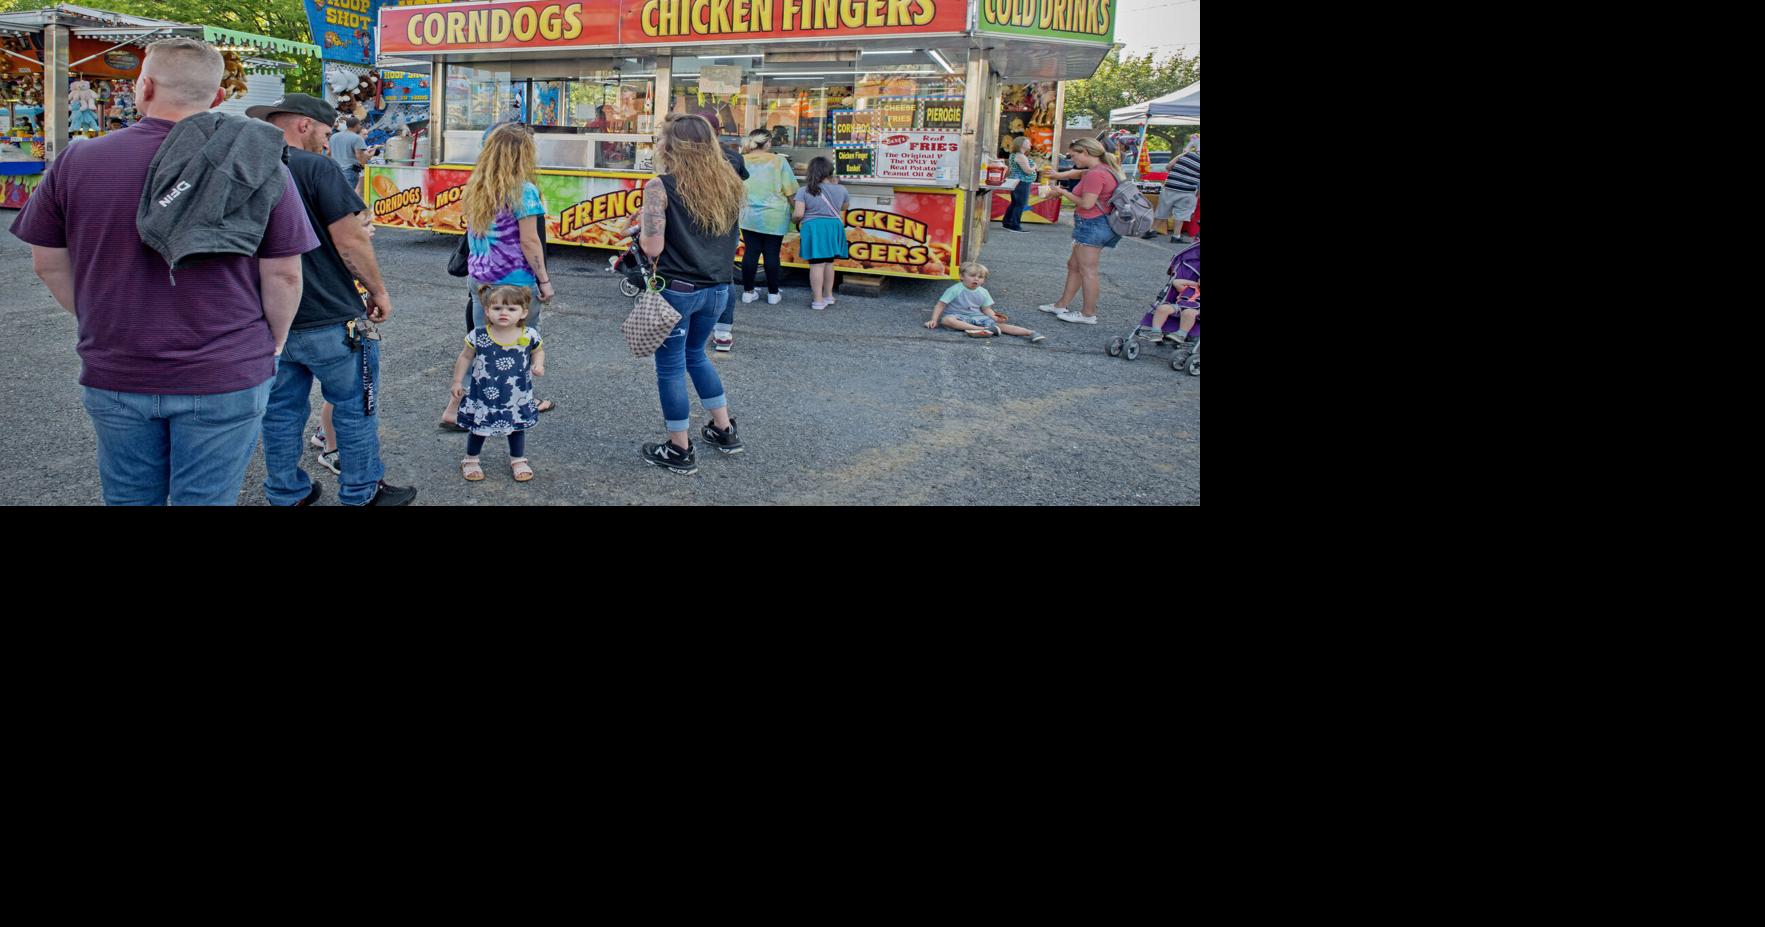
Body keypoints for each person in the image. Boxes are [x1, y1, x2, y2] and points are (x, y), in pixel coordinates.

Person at [9, 37, 317, 505]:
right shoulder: (258, 160)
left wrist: (98, 316)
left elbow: (47, 261)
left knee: (130, 499)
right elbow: (284, 275)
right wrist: (272, 344)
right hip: (225, 370)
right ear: (217, 97)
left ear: (144, 87)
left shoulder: (79, 160)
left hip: (116, 367)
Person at [251, 92, 415, 507]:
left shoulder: (247, 166)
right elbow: (349, 241)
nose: (326, 143)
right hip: (329, 316)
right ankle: (361, 491)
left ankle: (285, 492)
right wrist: (377, 291)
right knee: (354, 408)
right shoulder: (316, 168)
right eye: (325, 133)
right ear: (304, 125)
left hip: (268, 319)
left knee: (280, 413)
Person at [637, 113, 745, 474]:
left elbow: (652, 247)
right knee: (696, 355)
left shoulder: (660, 186)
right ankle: (723, 429)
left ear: (671, 146)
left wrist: (639, 230)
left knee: (670, 368)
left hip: (678, 289)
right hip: (719, 288)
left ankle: (679, 449)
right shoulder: (730, 182)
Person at [440, 123, 556, 428]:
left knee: (481, 343)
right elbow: (530, 242)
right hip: (515, 283)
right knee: (518, 348)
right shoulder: (524, 190)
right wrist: (544, 281)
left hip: (481, 281)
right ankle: (516, 404)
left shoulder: (476, 186)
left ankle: (456, 407)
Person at [452, 284, 546, 482]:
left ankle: (518, 459)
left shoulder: (528, 335)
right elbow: (465, 357)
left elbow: (538, 351)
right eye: (497, 308)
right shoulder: (479, 335)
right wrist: (457, 381)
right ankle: (471, 459)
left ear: (523, 312)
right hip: (484, 394)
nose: (504, 313)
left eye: (512, 309)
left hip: (516, 396)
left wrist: (538, 364)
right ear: (487, 310)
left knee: (517, 427)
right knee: (479, 427)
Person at [721, 128, 798, 350]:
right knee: (772, 253)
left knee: (751, 252)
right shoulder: (778, 162)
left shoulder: (741, 159)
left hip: (748, 214)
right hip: (774, 214)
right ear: (768, 143)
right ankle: (773, 294)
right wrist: (798, 210)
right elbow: (791, 190)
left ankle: (747, 292)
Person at [1038, 137, 1123, 325]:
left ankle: (1088, 314)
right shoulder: (1103, 169)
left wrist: (1062, 192)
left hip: (1092, 225)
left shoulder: (1095, 174)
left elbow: (1087, 203)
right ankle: (1061, 305)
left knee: (1088, 271)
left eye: (1074, 155)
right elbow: (1077, 173)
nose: (1071, 159)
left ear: (1085, 153)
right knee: (1074, 266)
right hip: (1096, 224)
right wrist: (1060, 177)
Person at [925, 262, 1045, 343]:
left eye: (980, 277)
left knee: (1001, 326)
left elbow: (986, 309)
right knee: (946, 320)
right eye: (972, 276)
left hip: (977, 316)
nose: (976, 279)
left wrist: (995, 317)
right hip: (957, 316)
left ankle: (1031, 332)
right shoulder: (955, 289)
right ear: (961, 276)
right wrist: (934, 319)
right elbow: (941, 304)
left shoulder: (983, 292)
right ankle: (980, 329)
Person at [792, 156, 848, 311]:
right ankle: (828, 296)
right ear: (829, 172)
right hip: (833, 227)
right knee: (829, 263)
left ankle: (818, 300)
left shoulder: (804, 190)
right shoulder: (842, 189)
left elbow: (798, 214)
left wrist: (794, 220)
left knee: (817, 265)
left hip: (814, 228)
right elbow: (844, 207)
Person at [1152, 140, 1199, 242]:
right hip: (1187, 191)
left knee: (1162, 210)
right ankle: (1175, 236)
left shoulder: (1186, 155)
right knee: (1181, 214)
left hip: (1170, 187)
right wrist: (1197, 195)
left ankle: (1151, 231)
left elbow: (1168, 167)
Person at [1000, 136, 1038, 232]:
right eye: (1027, 142)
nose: (1030, 144)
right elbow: (1028, 171)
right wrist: (1034, 166)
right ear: (1021, 144)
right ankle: (1014, 225)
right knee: (1020, 204)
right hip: (1022, 182)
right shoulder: (1020, 156)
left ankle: (1007, 222)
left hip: (1017, 181)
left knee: (1015, 203)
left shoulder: (1014, 155)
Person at [329, 115, 372, 191]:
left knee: (336, 193)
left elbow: (329, 153)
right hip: (349, 171)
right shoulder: (357, 138)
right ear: (357, 125)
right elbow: (359, 156)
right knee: (348, 195)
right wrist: (365, 166)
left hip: (334, 170)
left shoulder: (334, 136)